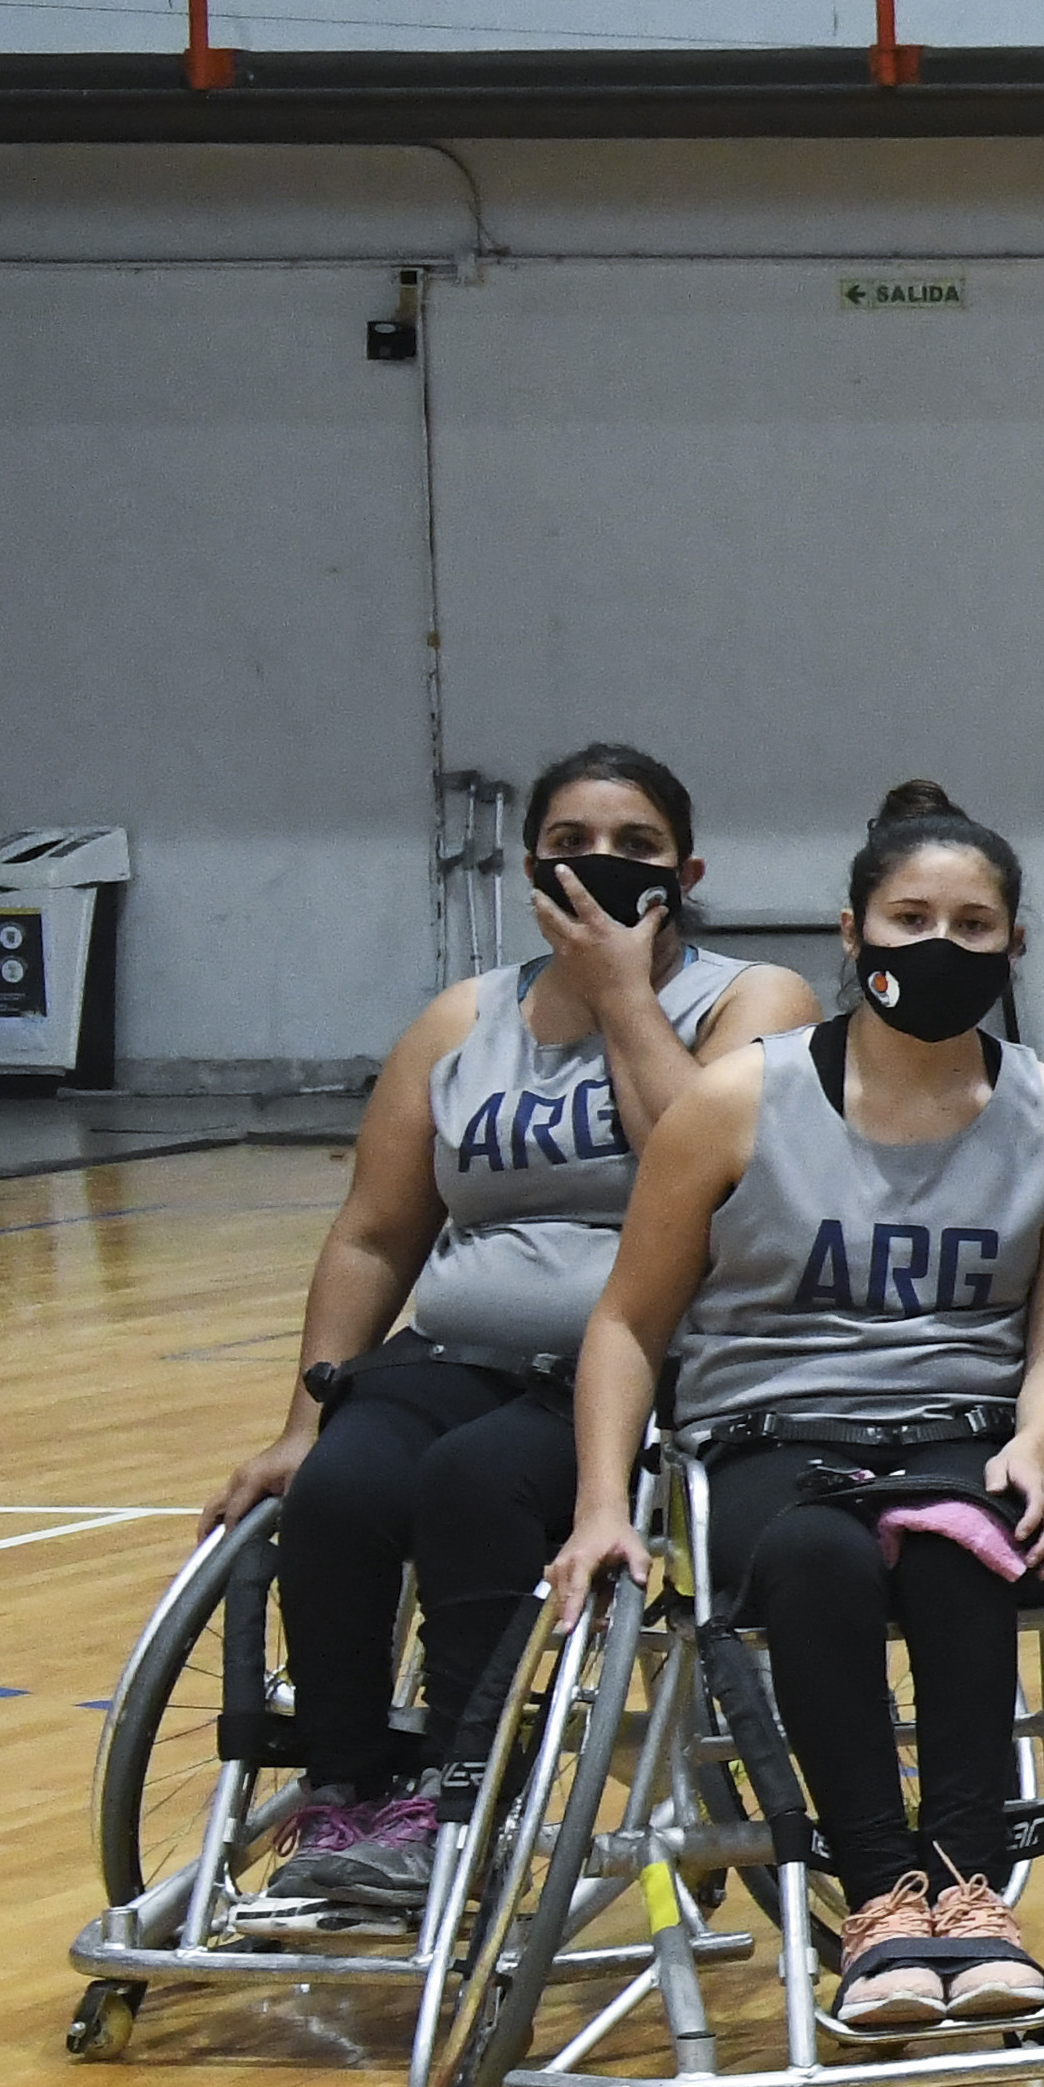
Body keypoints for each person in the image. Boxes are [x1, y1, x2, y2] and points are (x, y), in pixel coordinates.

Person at [190, 744, 818, 1918]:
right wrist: (299, 1418)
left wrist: (623, 995)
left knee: (478, 1486)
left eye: (634, 846)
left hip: (646, 1366)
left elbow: (713, 1166)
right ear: (533, 865)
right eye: (572, 842)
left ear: (685, 869)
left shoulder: (753, 1000)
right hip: (456, 1353)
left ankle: (460, 1792)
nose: (601, 864)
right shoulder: (460, 1019)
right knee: (339, 1487)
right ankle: (349, 1794)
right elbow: (376, 1233)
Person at [549, 785, 1044, 2042]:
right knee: (817, 1555)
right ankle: (876, 1897)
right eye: (910, 916)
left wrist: (1033, 1447)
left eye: (973, 924)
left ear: (1013, 944)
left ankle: (971, 1897)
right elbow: (627, 1323)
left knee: (964, 1541)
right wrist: (603, 1504)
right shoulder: (732, 1103)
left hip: (966, 1430)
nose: (940, 944)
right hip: (772, 1438)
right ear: (852, 931)